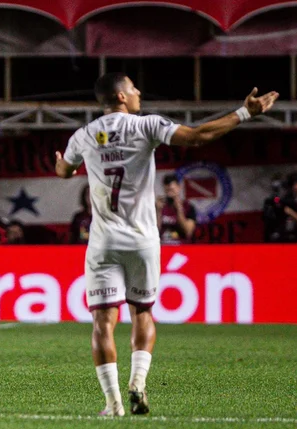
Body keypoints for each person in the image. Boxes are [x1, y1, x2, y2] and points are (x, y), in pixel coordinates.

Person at [55, 72, 277, 416]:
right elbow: (200, 136)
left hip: (103, 242)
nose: (139, 91)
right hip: (143, 241)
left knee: (102, 321)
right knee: (142, 312)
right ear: (122, 96)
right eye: (133, 87)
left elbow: (63, 171)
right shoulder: (146, 126)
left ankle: (113, 403)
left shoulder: (83, 136)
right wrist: (244, 113)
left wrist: (61, 164)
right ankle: (138, 382)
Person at [156, 174, 197, 244]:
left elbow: (188, 231)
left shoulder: (188, 207)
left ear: (179, 187)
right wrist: (158, 211)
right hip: (163, 247)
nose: (170, 193)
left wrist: (179, 210)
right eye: (167, 190)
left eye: (172, 190)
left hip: (182, 248)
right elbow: (154, 231)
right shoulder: (159, 206)